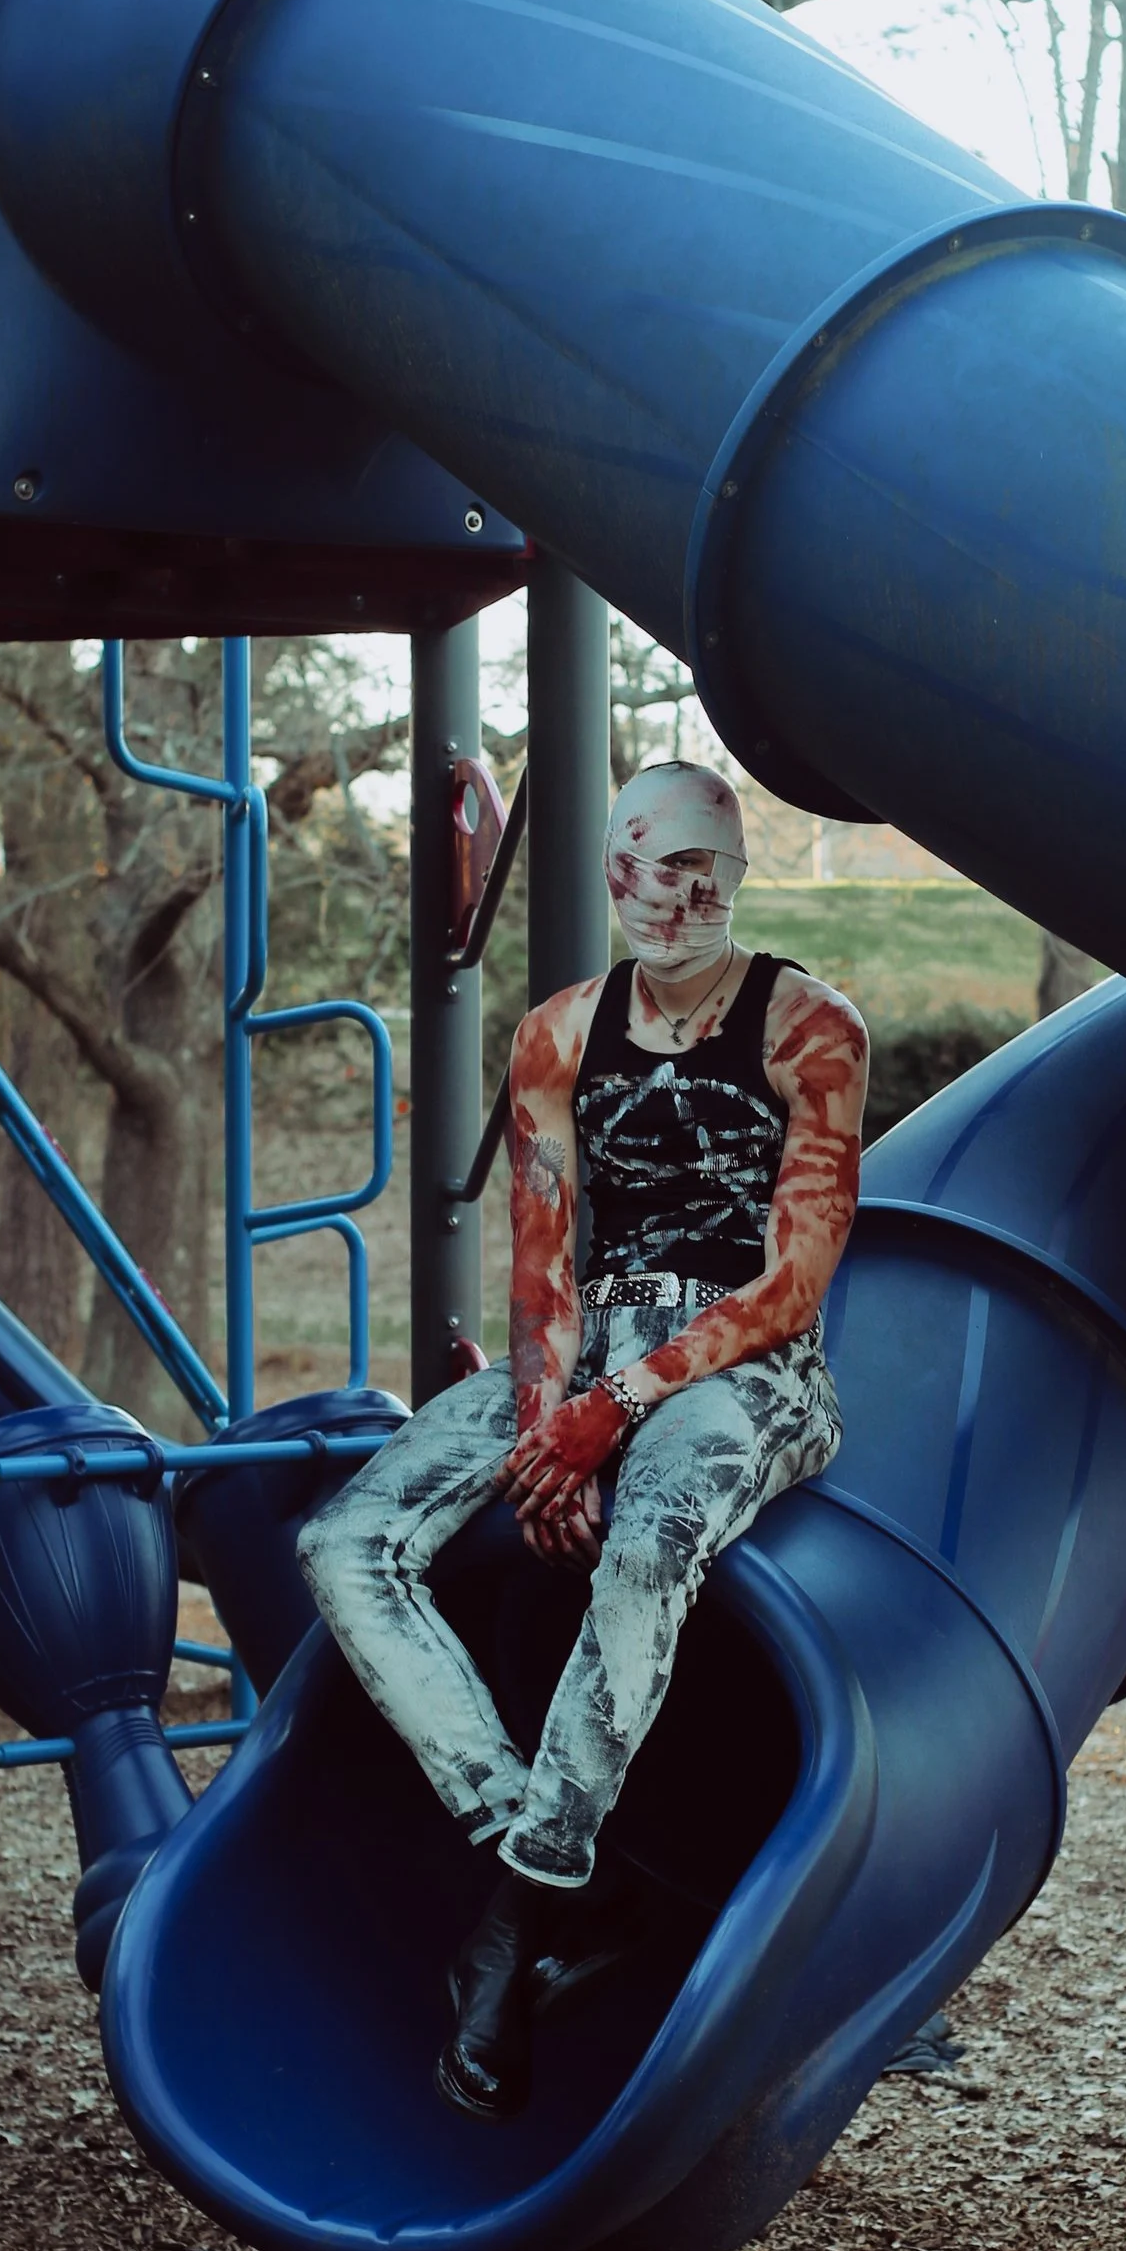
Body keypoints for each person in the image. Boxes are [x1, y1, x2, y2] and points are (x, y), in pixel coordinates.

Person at [297, 759, 869, 2120]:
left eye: (701, 869)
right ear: (611, 874)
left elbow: (796, 1277)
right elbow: (545, 1263)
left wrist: (622, 1410)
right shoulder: (557, 1034)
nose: (671, 893)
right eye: (643, 866)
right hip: (595, 1350)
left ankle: (511, 1915)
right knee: (348, 1537)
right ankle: (534, 1835)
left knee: (651, 1537)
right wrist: (555, 1413)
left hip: (748, 1365)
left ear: (735, 878)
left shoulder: (810, 1026)